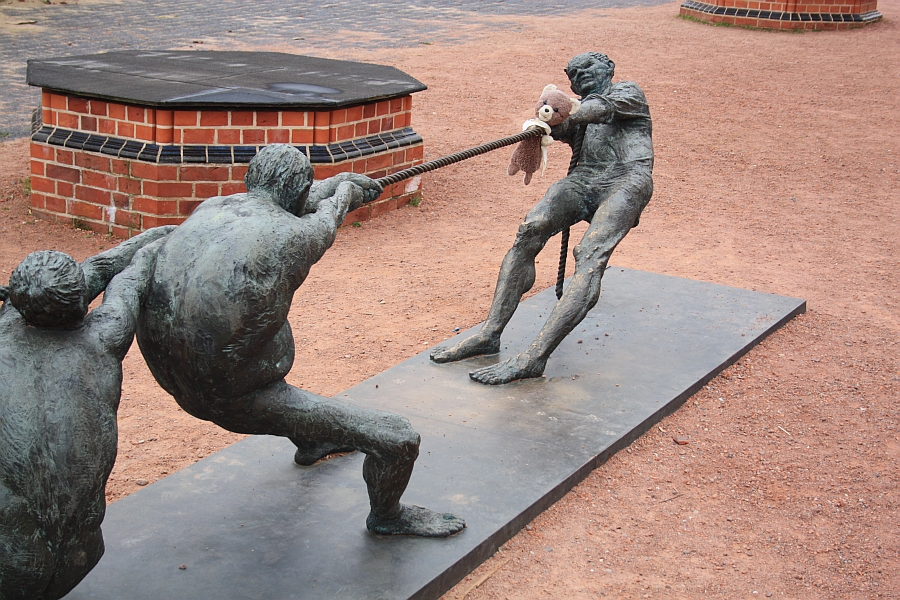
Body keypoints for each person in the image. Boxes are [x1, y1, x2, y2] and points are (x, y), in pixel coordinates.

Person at [136, 144, 465, 538]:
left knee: (261, 341)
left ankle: (311, 440)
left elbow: (294, 202)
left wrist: (338, 181)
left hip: (177, 383)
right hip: (237, 399)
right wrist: (345, 190)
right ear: (299, 191)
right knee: (398, 438)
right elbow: (326, 217)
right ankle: (388, 516)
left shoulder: (214, 208)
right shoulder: (296, 235)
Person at [431, 51, 654, 385]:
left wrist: (565, 111)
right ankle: (489, 334)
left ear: (609, 68)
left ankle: (534, 357)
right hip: (584, 179)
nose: (581, 74)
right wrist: (539, 126)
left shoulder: (627, 92)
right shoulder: (577, 108)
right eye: (573, 73)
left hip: (626, 179)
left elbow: (595, 110)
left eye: (588, 67)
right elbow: (561, 124)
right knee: (530, 230)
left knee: (590, 254)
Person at [0, 226, 174, 600]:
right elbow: (131, 272)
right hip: (77, 559)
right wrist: (169, 233)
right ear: (80, 303)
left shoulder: (5, 329)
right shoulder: (105, 337)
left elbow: (94, 269)